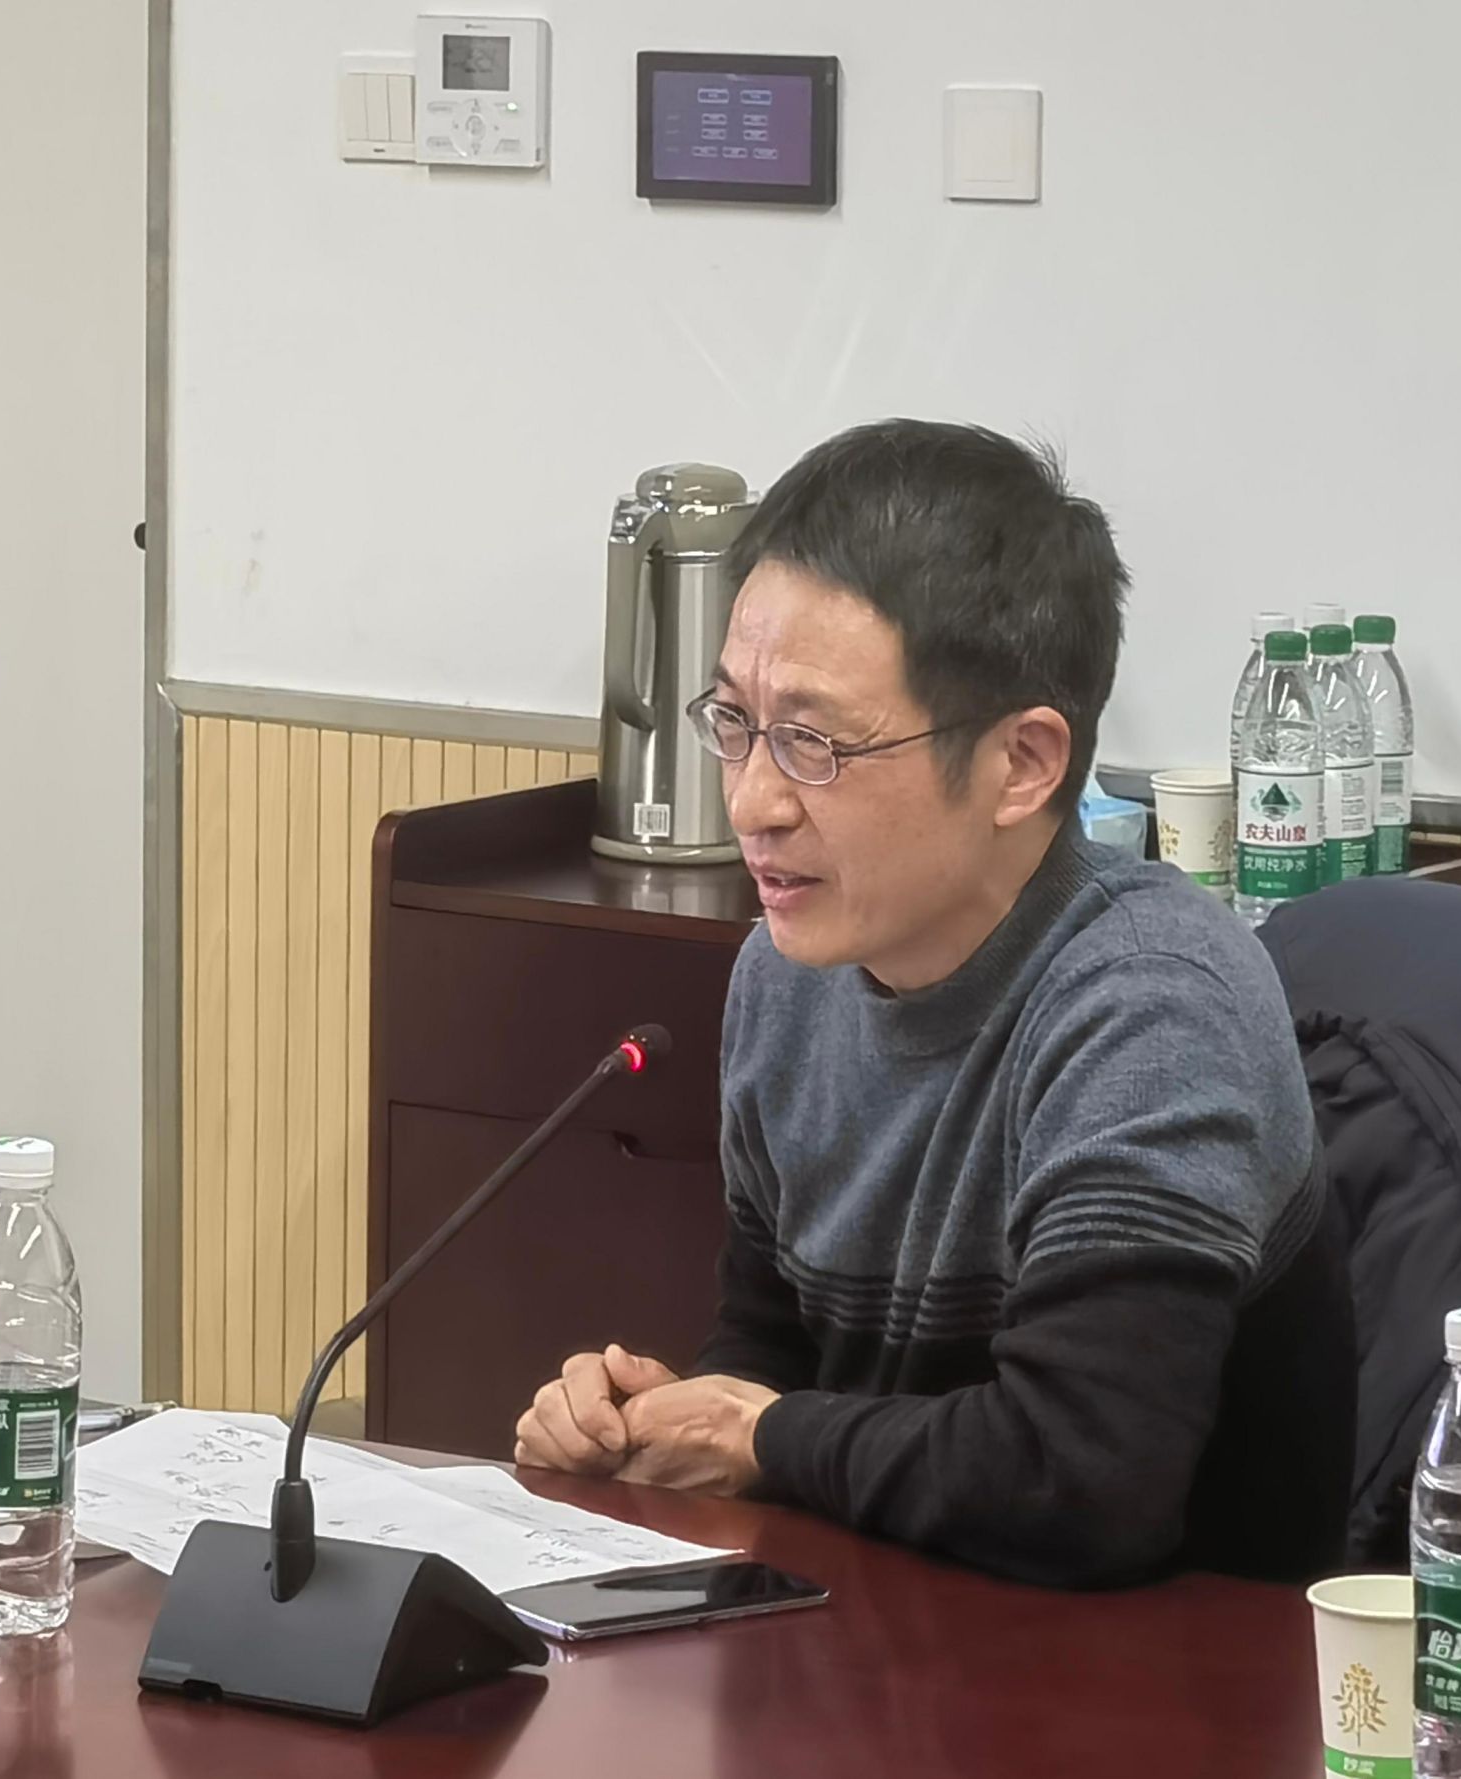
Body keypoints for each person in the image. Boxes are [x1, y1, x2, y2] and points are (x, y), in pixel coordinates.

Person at [516, 419, 1353, 1587]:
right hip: (876, 1624)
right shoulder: (787, 972)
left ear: (1021, 764)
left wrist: (757, 1436)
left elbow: (1081, 1477)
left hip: (1157, 1663)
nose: (751, 802)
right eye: (734, 723)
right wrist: (654, 1423)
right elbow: (771, 1353)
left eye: (813, 743)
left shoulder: (1152, 1007)